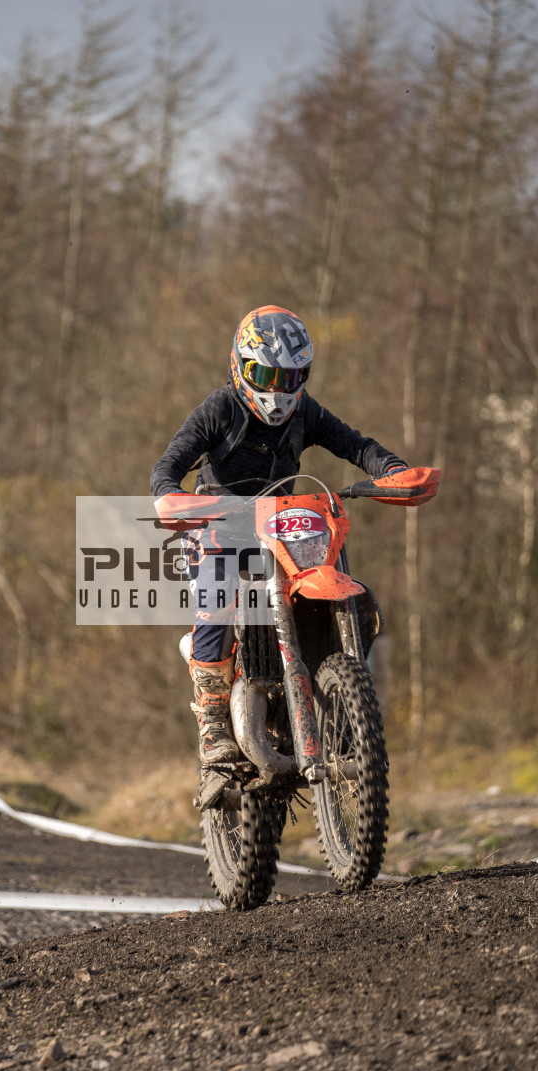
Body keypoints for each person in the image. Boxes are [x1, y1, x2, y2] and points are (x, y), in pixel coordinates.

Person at [150, 305, 407, 766]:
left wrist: (392, 470)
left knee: (350, 593)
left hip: (280, 528)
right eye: (263, 375)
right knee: (219, 597)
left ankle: (339, 701)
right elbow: (168, 465)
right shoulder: (220, 407)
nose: (276, 389)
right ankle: (213, 725)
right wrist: (169, 495)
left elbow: (355, 444)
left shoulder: (304, 413)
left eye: (288, 378)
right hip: (217, 525)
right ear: (240, 366)